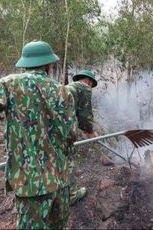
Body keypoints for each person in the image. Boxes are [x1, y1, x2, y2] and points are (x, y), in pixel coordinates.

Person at [0, 40, 78, 229]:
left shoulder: (10, 84)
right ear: (49, 65)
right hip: (61, 182)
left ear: (25, 64)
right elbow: (71, 133)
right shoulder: (62, 91)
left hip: (30, 186)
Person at [65, 70, 99, 206]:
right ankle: (71, 194)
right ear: (88, 82)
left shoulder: (68, 88)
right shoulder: (84, 88)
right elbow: (84, 117)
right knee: (68, 157)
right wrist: (90, 132)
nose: (90, 87)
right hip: (63, 129)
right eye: (91, 84)